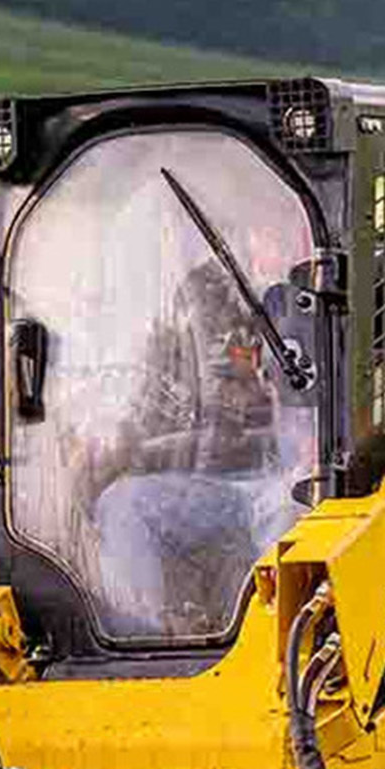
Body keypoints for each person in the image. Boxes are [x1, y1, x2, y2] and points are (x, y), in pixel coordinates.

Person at [89, 233, 311, 640]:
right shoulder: (203, 299)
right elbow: (156, 393)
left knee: (290, 521)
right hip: (218, 486)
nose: (268, 238)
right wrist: (116, 444)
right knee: (122, 505)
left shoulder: (329, 293)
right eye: (258, 229)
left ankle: (272, 654)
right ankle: (147, 645)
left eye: (278, 227)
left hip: (293, 485)